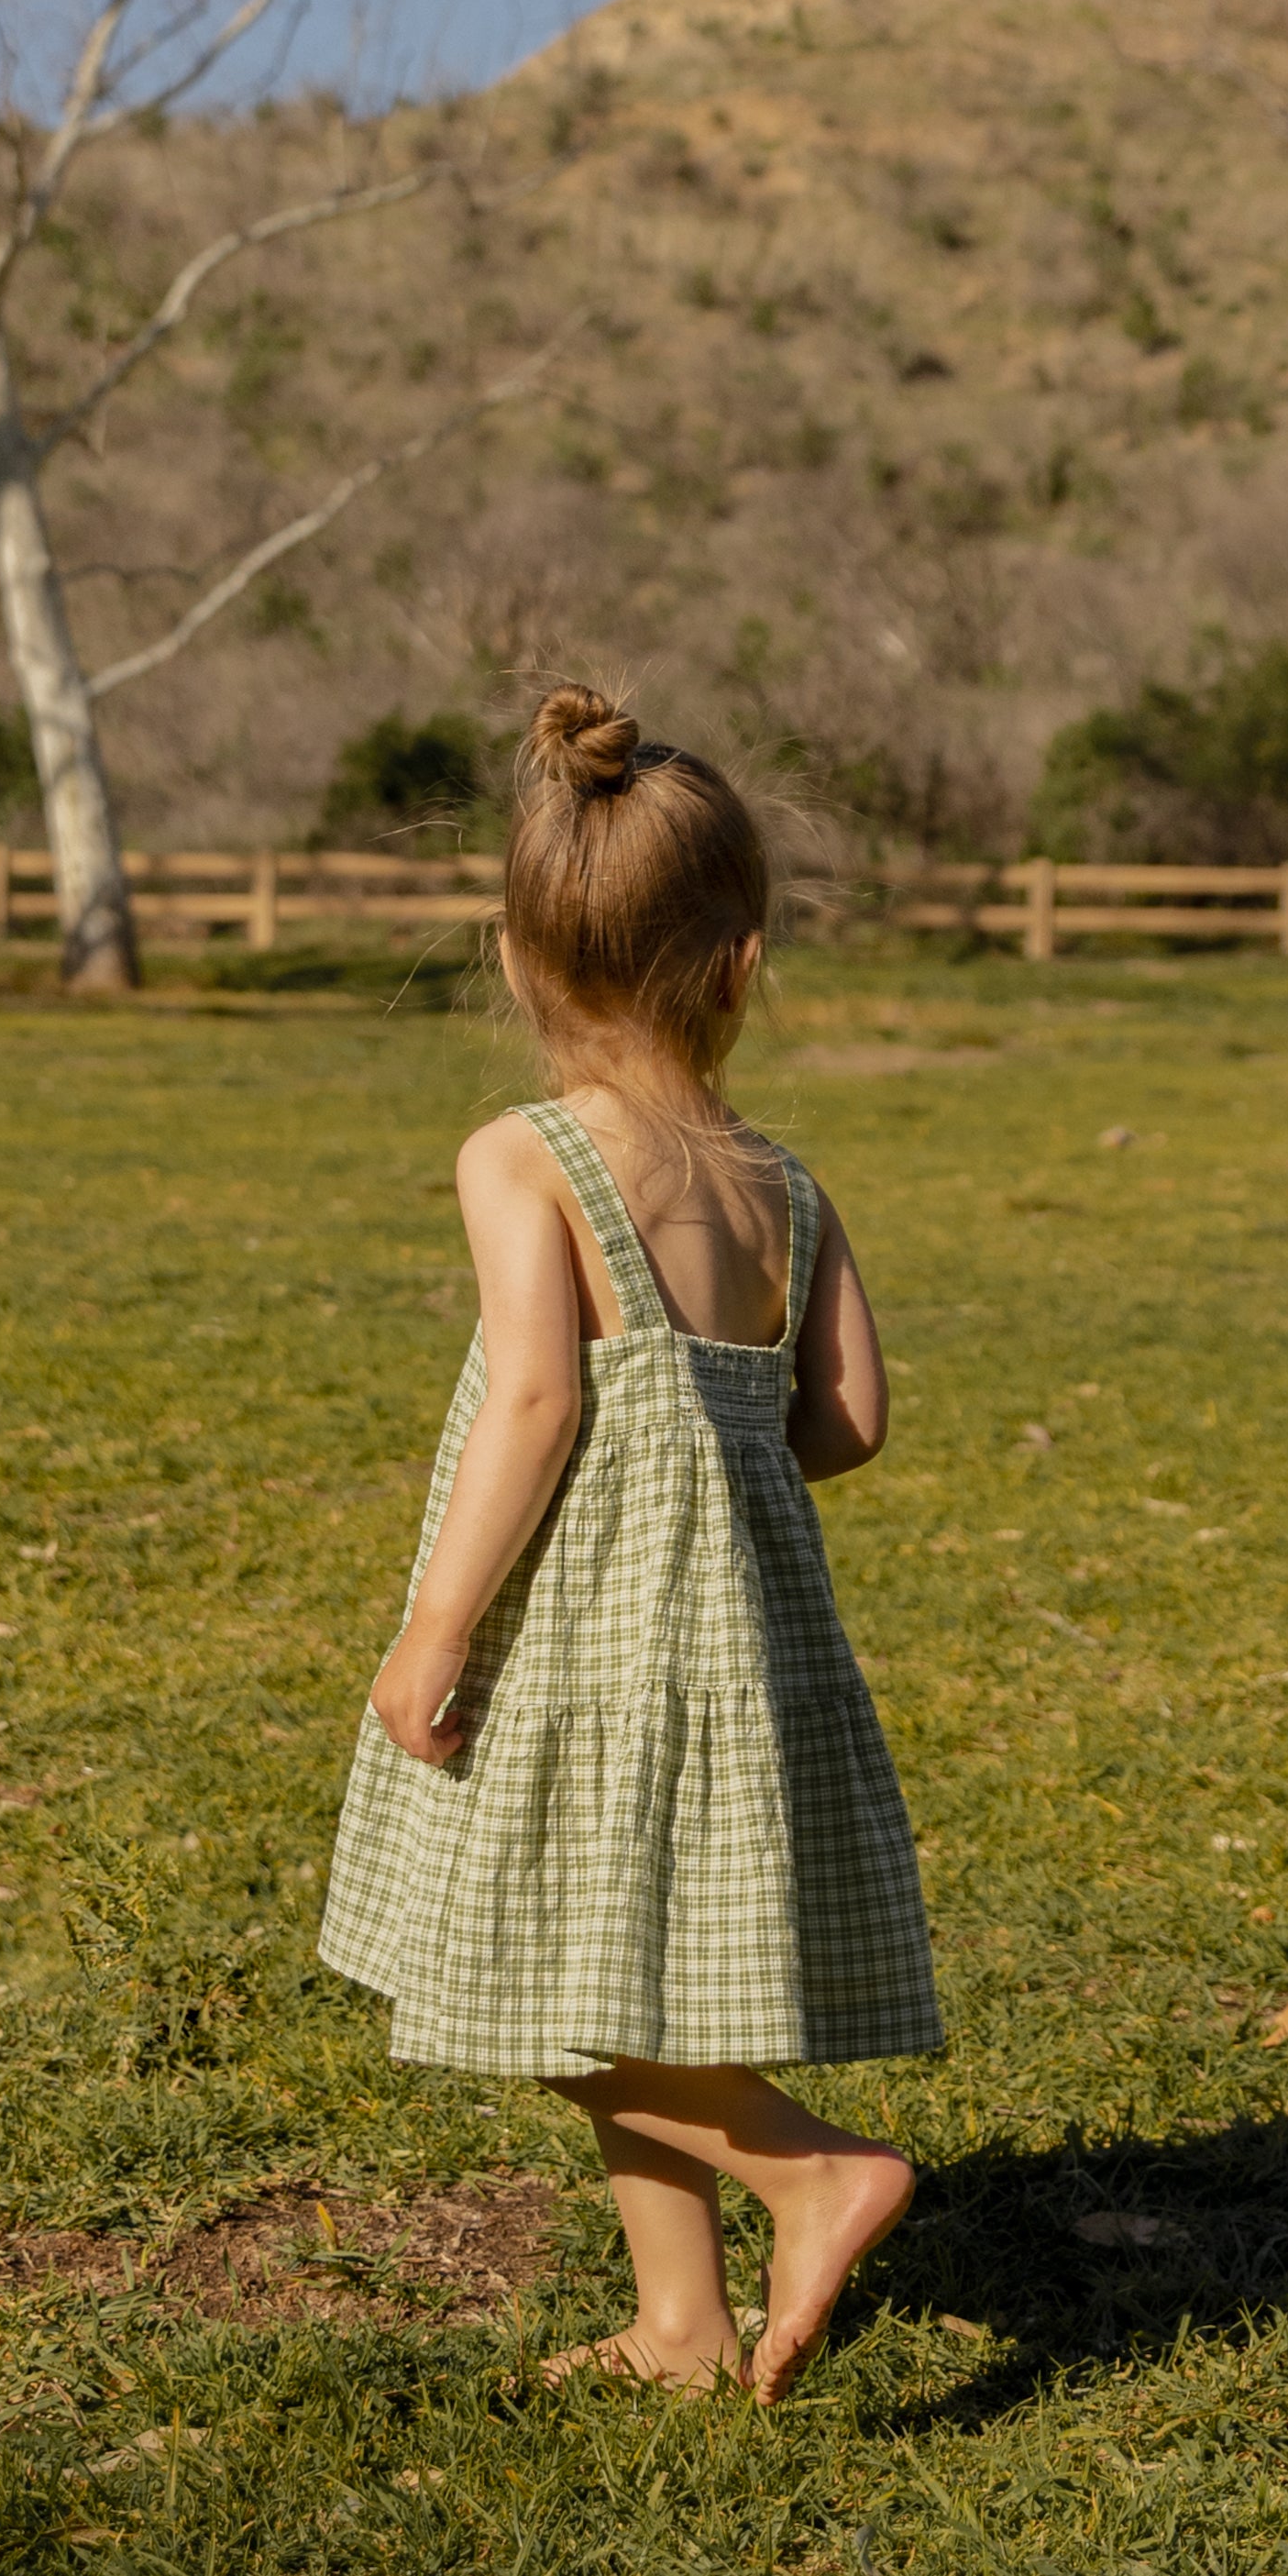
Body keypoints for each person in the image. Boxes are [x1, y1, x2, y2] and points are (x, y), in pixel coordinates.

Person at [318, 682, 940, 2400]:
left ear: (516, 962)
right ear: (743, 964)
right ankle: (680, 2324)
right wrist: (724, 1459)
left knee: (523, 1961)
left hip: (579, 1638)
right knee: (629, 1962)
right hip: (738, 1648)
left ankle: (814, 2171)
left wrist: (436, 1626)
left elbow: (536, 1403)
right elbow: (851, 1425)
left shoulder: (523, 1156)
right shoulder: (784, 1184)